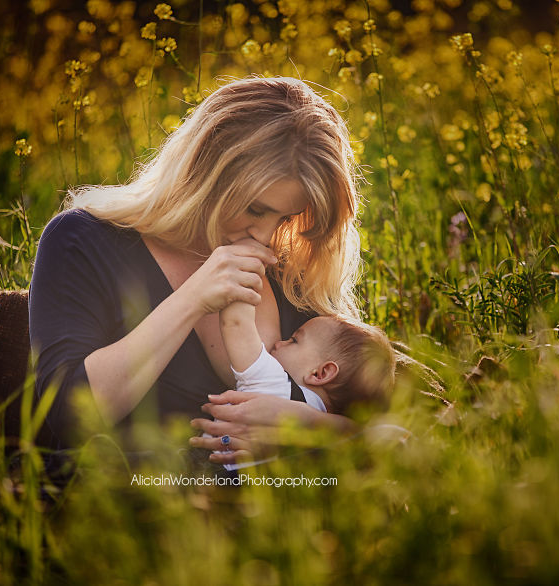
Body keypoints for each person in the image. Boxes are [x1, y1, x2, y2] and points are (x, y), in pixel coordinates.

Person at [29, 77, 364, 455]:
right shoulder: (83, 240)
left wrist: (308, 426)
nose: (267, 237)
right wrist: (191, 300)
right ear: (206, 174)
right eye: (255, 209)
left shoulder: (295, 265)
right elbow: (67, 417)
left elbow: (390, 427)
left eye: (286, 217)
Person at [208, 300, 394, 469]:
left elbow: (236, 323)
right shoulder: (329, 439)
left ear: (320, 373)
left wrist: (240, 274)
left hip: (217, 473)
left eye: (294, 340)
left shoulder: (276, 384)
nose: (279, 343)